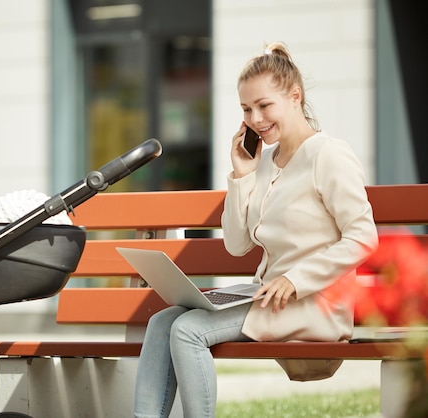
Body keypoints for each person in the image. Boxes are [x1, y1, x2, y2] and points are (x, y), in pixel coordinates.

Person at [133, 41, 379, 418]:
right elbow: (236, 244)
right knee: (162, 320)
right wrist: (242, 176)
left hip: (315, 302)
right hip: (269, 297)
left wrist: (296, 279)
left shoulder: (328, 154)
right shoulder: (265, 161)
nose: (255, 119)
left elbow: (363, 236)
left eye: (264, 106)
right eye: (247, 109)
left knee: (188, 330)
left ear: (295, 97)